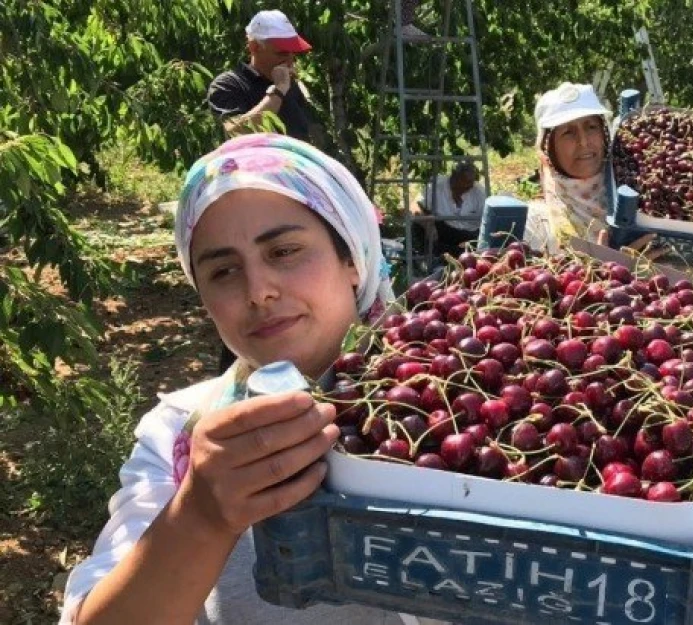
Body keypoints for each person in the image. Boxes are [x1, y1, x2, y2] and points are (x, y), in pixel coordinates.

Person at [60, 134, 451, 625]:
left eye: (285, 251)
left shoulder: (449, 406)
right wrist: (200, 514)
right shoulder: (184, 435)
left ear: (352, 259)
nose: (259, 291)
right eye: (223, 271)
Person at [526, 82, 663, 259]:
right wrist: (608, 272)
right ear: (547, 149)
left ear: (605, 134)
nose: (583, 141)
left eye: (591, 127)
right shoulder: (536, 223)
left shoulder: (647, 201)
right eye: (568, 132)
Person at [207, 10, 316, 143]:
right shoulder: (228, 84)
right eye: (281, 53)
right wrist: (278, 91)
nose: (289, 61)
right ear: (254, 47)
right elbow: (238, 132)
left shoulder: (290, 85)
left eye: (292, 53)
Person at [411, 162, 487, 257]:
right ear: (454, 177)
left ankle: (456, 256)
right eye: (466, 182)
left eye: (471, 182)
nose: (470, 186)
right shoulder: (437, 185)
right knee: (417, 224)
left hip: (468, 235)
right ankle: (428, 258)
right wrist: (428, 224)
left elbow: (489, 219)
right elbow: (414, 206)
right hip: (443, 230)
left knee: (476, 245)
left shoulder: (479, 192)